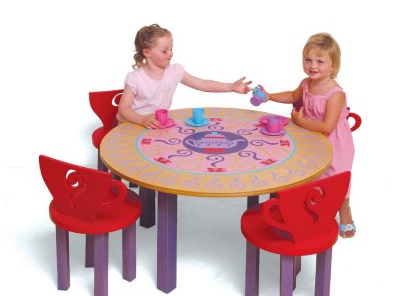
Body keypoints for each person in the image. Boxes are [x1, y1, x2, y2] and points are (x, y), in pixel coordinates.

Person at [260, 33, 356, 238]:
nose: (312, 66)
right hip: (313, 140)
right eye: (308, 59)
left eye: (320, 62)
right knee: (311, 174)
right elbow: (292, 96)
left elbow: (327, 127)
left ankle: (344, 211)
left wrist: (299, 121)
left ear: (332, 66)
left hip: (335, 143)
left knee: (336, 178)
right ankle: (312, 206)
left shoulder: (335, 93)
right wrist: (270, 96)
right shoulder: (306, 83)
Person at [118, 24, 251, 129]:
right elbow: (123, 109)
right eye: (164, 51)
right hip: (131, 124)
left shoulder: (174, 71)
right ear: (147, 53)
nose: (170, 54)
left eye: (171, 49)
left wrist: (230, 87)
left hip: (156, 124)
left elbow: (203, 84)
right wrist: (142, 120)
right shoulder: (135, 78)